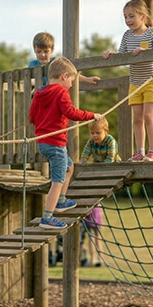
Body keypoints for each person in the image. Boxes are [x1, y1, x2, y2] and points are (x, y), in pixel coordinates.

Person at [29, 57, 104, 229]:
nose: (71, 84)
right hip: (56, 144)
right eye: (71, 80)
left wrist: (46, 120)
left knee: (69, 167)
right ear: (64, 76)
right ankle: (47, 217)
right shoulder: (61, 92)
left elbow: (32, 118)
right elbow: (71, 113)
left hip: (43, 143)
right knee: (58, 180)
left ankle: (61, 201)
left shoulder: (39, 93)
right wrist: (92, 115)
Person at [102, 0, 153, 162]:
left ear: (143, 16)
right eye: (125, 17)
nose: (128, 20)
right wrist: (112, 54)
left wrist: (145, 51)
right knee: (137, 118)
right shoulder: (127, 35)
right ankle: (140, 152)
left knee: (149, 116)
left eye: (131, 16)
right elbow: (123, 54)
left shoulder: (151, 33)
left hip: (151, 80)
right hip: (135, 81)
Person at [79, 118, 118, 266]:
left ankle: (100, 257)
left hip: (112, 165)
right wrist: (83, 163)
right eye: (92, 133)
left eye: (98, 133)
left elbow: (111, 156)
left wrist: (105, 168)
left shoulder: (110, 141)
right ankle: (93, 258)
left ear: (106, 131)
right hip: (97, 166)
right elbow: (85, 154)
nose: (95, 136)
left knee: (97, 236)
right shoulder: (91, 142)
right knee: (90, 235)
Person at [29, 32, 100, 86]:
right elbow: (30, 80)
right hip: (38, 96)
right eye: (39, 51)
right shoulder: (33, 64)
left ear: (52, 50)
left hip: (53, 95)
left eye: (46, 51)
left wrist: (87, 79)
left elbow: (70, 74)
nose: (42, 54)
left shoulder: (55, 64)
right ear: (34, 50)